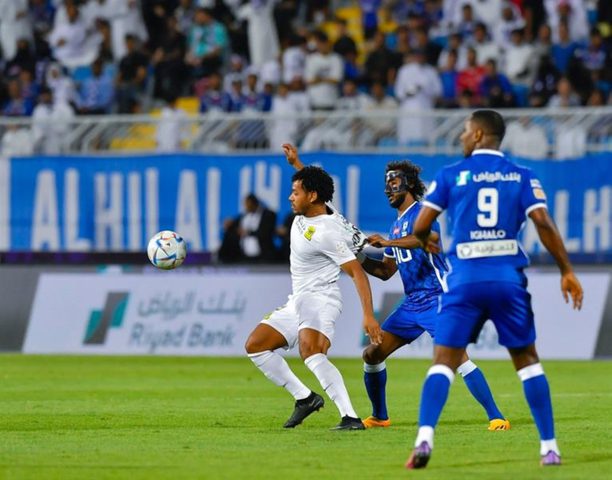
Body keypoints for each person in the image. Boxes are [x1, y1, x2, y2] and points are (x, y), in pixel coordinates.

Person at [405, 110, 584, 469]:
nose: (461, 137)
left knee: (444, 362)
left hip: (465, 280)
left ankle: (424, 439)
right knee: (528, 362)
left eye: (466, 131)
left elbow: (422, 224)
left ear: (479, 135)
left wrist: (425, 241)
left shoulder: (451, 175)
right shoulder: (522, 176)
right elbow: (543, 222)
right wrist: (566, 269)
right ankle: (549, 447)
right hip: (507, 279)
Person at [357, 161, 510, 432]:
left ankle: (497, 417)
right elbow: (386, 271)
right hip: (412, 304)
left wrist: (387, 243)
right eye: (386, 185)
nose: (388, 190)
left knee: (457, 358)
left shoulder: (422, 213)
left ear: (410, 185)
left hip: (437, 299)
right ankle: (380, 416)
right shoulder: (396, 225)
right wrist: (358, 258)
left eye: (394, 184)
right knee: (372, 354)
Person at [245, 145, 382, 430]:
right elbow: (314, 185)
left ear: (312, 196)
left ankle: (350, 417)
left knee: (312, 352)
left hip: (321, 299)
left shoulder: (327, 233)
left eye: (295, 193)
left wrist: (368, 316)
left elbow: (357, 273)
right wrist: (298, 164)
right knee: (256, 346)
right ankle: (305, 398)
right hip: (299, 300)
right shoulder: (322, 210)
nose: (290, 198)